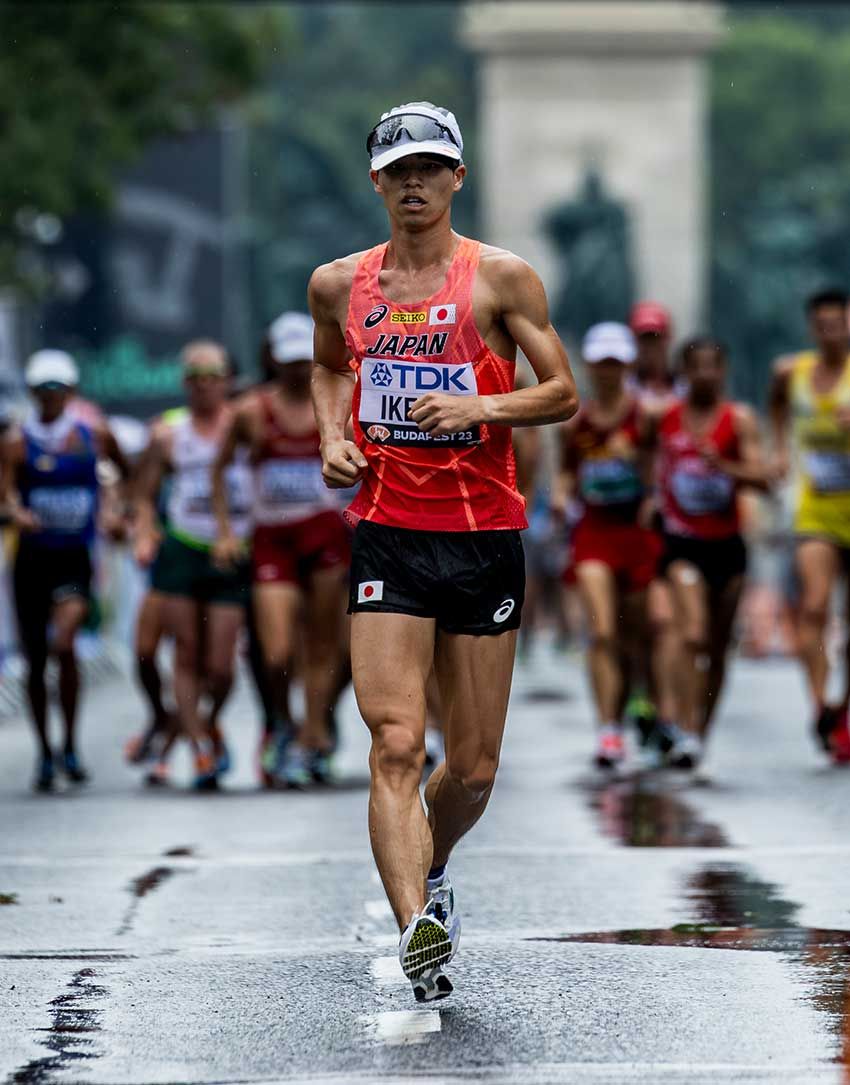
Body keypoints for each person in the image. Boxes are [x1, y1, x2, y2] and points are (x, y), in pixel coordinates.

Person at [308, 101, 577, 1001]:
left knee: (473, 768)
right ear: (376, 182)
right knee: (394, 741)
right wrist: (332, 435)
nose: (414, 182)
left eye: (430, 166)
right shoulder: (338, 285)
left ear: (458, 176)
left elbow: (562, 392)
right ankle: (416, 926)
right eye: (398, 170)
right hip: (388, 534)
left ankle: (433, 859)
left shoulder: (501, 278)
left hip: (483, 537)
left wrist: (481, 406)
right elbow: (329, 367)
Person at [213, 312, 351, 787]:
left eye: (302, 360)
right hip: (273, 538)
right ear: (272, 359)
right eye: (288, 361)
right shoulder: (250, 412)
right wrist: (226, 530)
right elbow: (218, 469)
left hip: (323, 533)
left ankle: (314, 736)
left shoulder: (336, 402)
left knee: (325, 646)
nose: (295, 370)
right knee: (276, 652)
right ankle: (282, 723)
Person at [0, 350, 127, 790]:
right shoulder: (16, 443)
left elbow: (124, 477)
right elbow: (4, 494)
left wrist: (116, 511)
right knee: (36, 660)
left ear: (71, 391)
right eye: (42, 390)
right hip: (32, 560)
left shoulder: (94, 435)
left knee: (65, 642)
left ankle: (71, 742)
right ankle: (45, 752)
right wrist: (16, 513)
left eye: (57, 389)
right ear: (33, 393)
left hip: (74, 557)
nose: (50, 397)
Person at [133, 341, 252, 789]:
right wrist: (145, 533)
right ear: (185, 384)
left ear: (227, 380)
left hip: (232, 548)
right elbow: (143, 495)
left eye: (213, 377)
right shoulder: (168, 433)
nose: (204, 387)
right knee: (184, 651)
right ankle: (201, 748)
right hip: (183, 546)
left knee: (220, 665)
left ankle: (207, 720)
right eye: (196, 379)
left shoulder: (245, 422)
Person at [648, 338, 771, 768]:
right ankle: (683, 727)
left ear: (723, 371)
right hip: (682, 544)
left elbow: (764, 479)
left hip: (727, 546)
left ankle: (700, 732)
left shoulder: (739, 420)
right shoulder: (665, 418)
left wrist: (725, 466)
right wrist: (648, 498)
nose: (704, 374)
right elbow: (643, 456)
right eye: (696, 366)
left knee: (717, 647)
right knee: (692, 634)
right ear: (683, 372)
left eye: (712, 366)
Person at [555, 322, 656, 770]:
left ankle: (633, 701)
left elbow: (658, 473)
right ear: (590, 367)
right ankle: (608, 729)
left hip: (635, 532)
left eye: (615, 363)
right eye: (601, 363)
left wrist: (640, 471)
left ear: (627, 365)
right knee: (601, 633)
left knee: (634, 638)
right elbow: (566, 472)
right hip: (594, 532)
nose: (608, 371)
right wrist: (561, 497)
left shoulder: (646, 417)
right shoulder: (575, 423)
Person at [770, 287, 850, 761]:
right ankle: (820, 706)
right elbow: (777, 405)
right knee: (815, 605)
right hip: (815, 509)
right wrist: (780, 449)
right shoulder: (791, 372)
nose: (831, 333)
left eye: (838, 324)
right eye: (822, 325)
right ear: (812, 327)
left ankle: (843, 709)